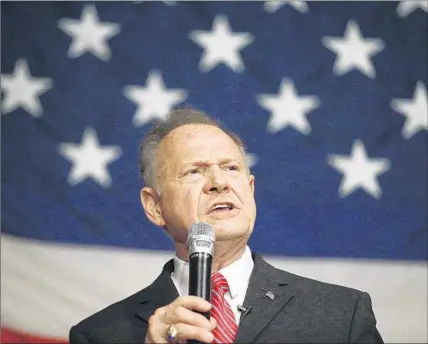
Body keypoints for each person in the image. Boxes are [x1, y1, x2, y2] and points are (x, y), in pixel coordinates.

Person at [69, 107, 383, 343]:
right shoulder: (98, 335)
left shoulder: (341, 315)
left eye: (230, 168)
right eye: (194, 171)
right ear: (154, 206)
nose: (219, 182)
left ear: (251, 189)